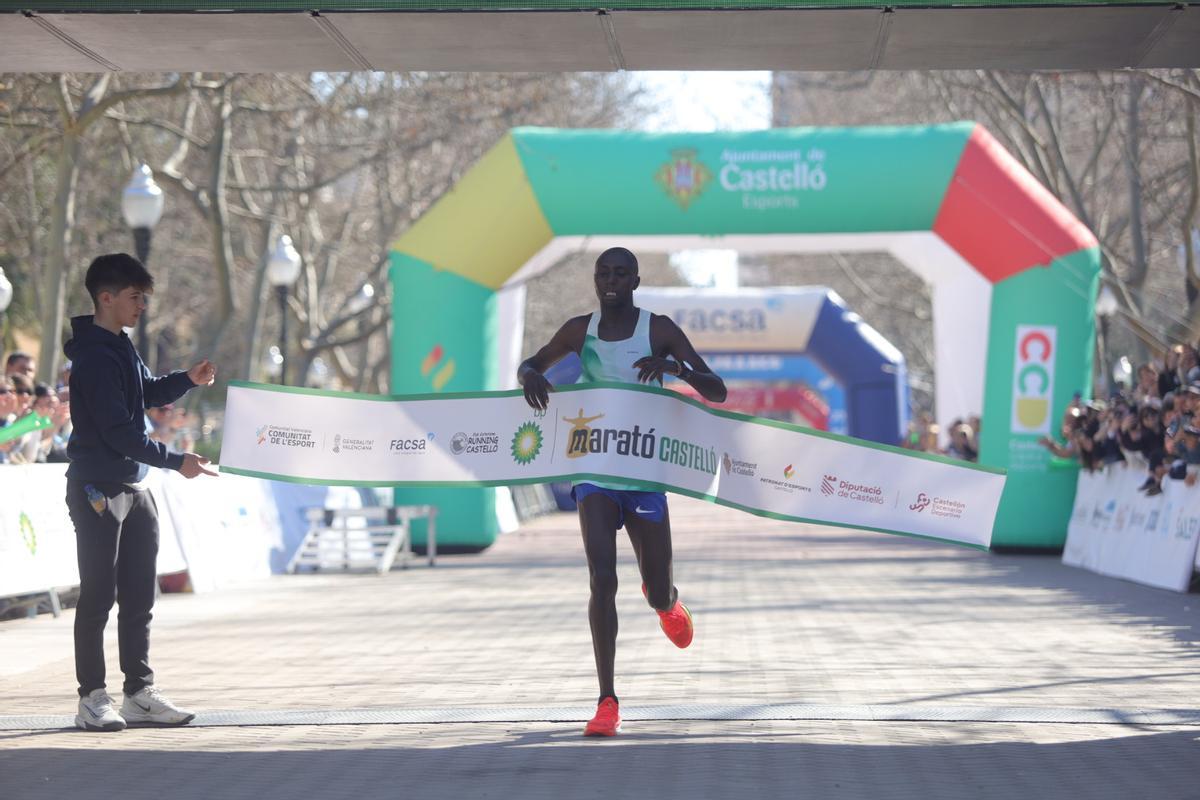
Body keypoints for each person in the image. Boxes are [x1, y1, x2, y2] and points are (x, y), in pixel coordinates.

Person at [517, 247, 727, 737]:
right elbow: (531, 363)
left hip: (645, 475)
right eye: (603, 274)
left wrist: (675, 369)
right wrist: (530, 376)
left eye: (620, 274)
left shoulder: (660, 330)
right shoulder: (579, 330)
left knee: (657, 587)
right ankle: (606, 701)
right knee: (601, 578)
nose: (610, 281)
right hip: (595, 469)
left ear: (635, 281)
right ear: (596, 279)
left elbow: (716, 389)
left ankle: (665, 601)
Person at [65, 253, 218, 732]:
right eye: (135, 297)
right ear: (106, 297)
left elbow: (146, 392)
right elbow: (119, 433)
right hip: (98, 488)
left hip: (135, 488)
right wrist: (176, 461)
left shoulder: (120, 345)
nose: (142, 306)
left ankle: (138, 694)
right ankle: (92, 698)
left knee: (138, 598)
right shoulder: (93, 356)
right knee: (98, 597)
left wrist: (187, 380)